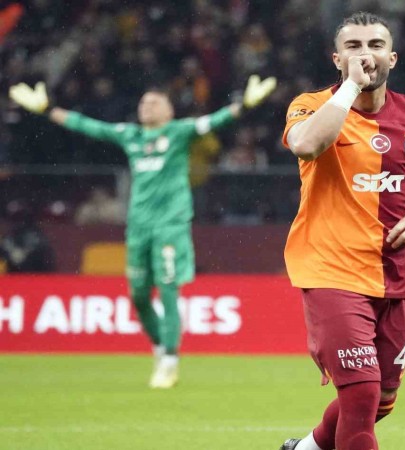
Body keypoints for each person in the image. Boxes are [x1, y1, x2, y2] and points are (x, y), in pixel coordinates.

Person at [8, 75, 276, 388]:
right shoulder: (130, 135)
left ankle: (170, 360)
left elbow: (215, 121)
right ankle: (160, 348)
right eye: (143, 102)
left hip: (170, 225)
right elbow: (88, 126)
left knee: (168, 289)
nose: (146, 106)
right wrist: (48, 109)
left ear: (169, 111)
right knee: (138, 294)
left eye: (154, 102)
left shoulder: (179, 132)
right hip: (138, 227)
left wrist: (244, 105)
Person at [279, 12, 405, 450]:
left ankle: (306, 448)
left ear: (393, 58)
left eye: (375, 45)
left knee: (379, 400)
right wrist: (351, 87)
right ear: (336, 59)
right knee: (362, 393)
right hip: (332, 269)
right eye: (353, 47)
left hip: (396, 274)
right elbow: (306, 145)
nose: (365, 54)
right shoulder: (310, 104)